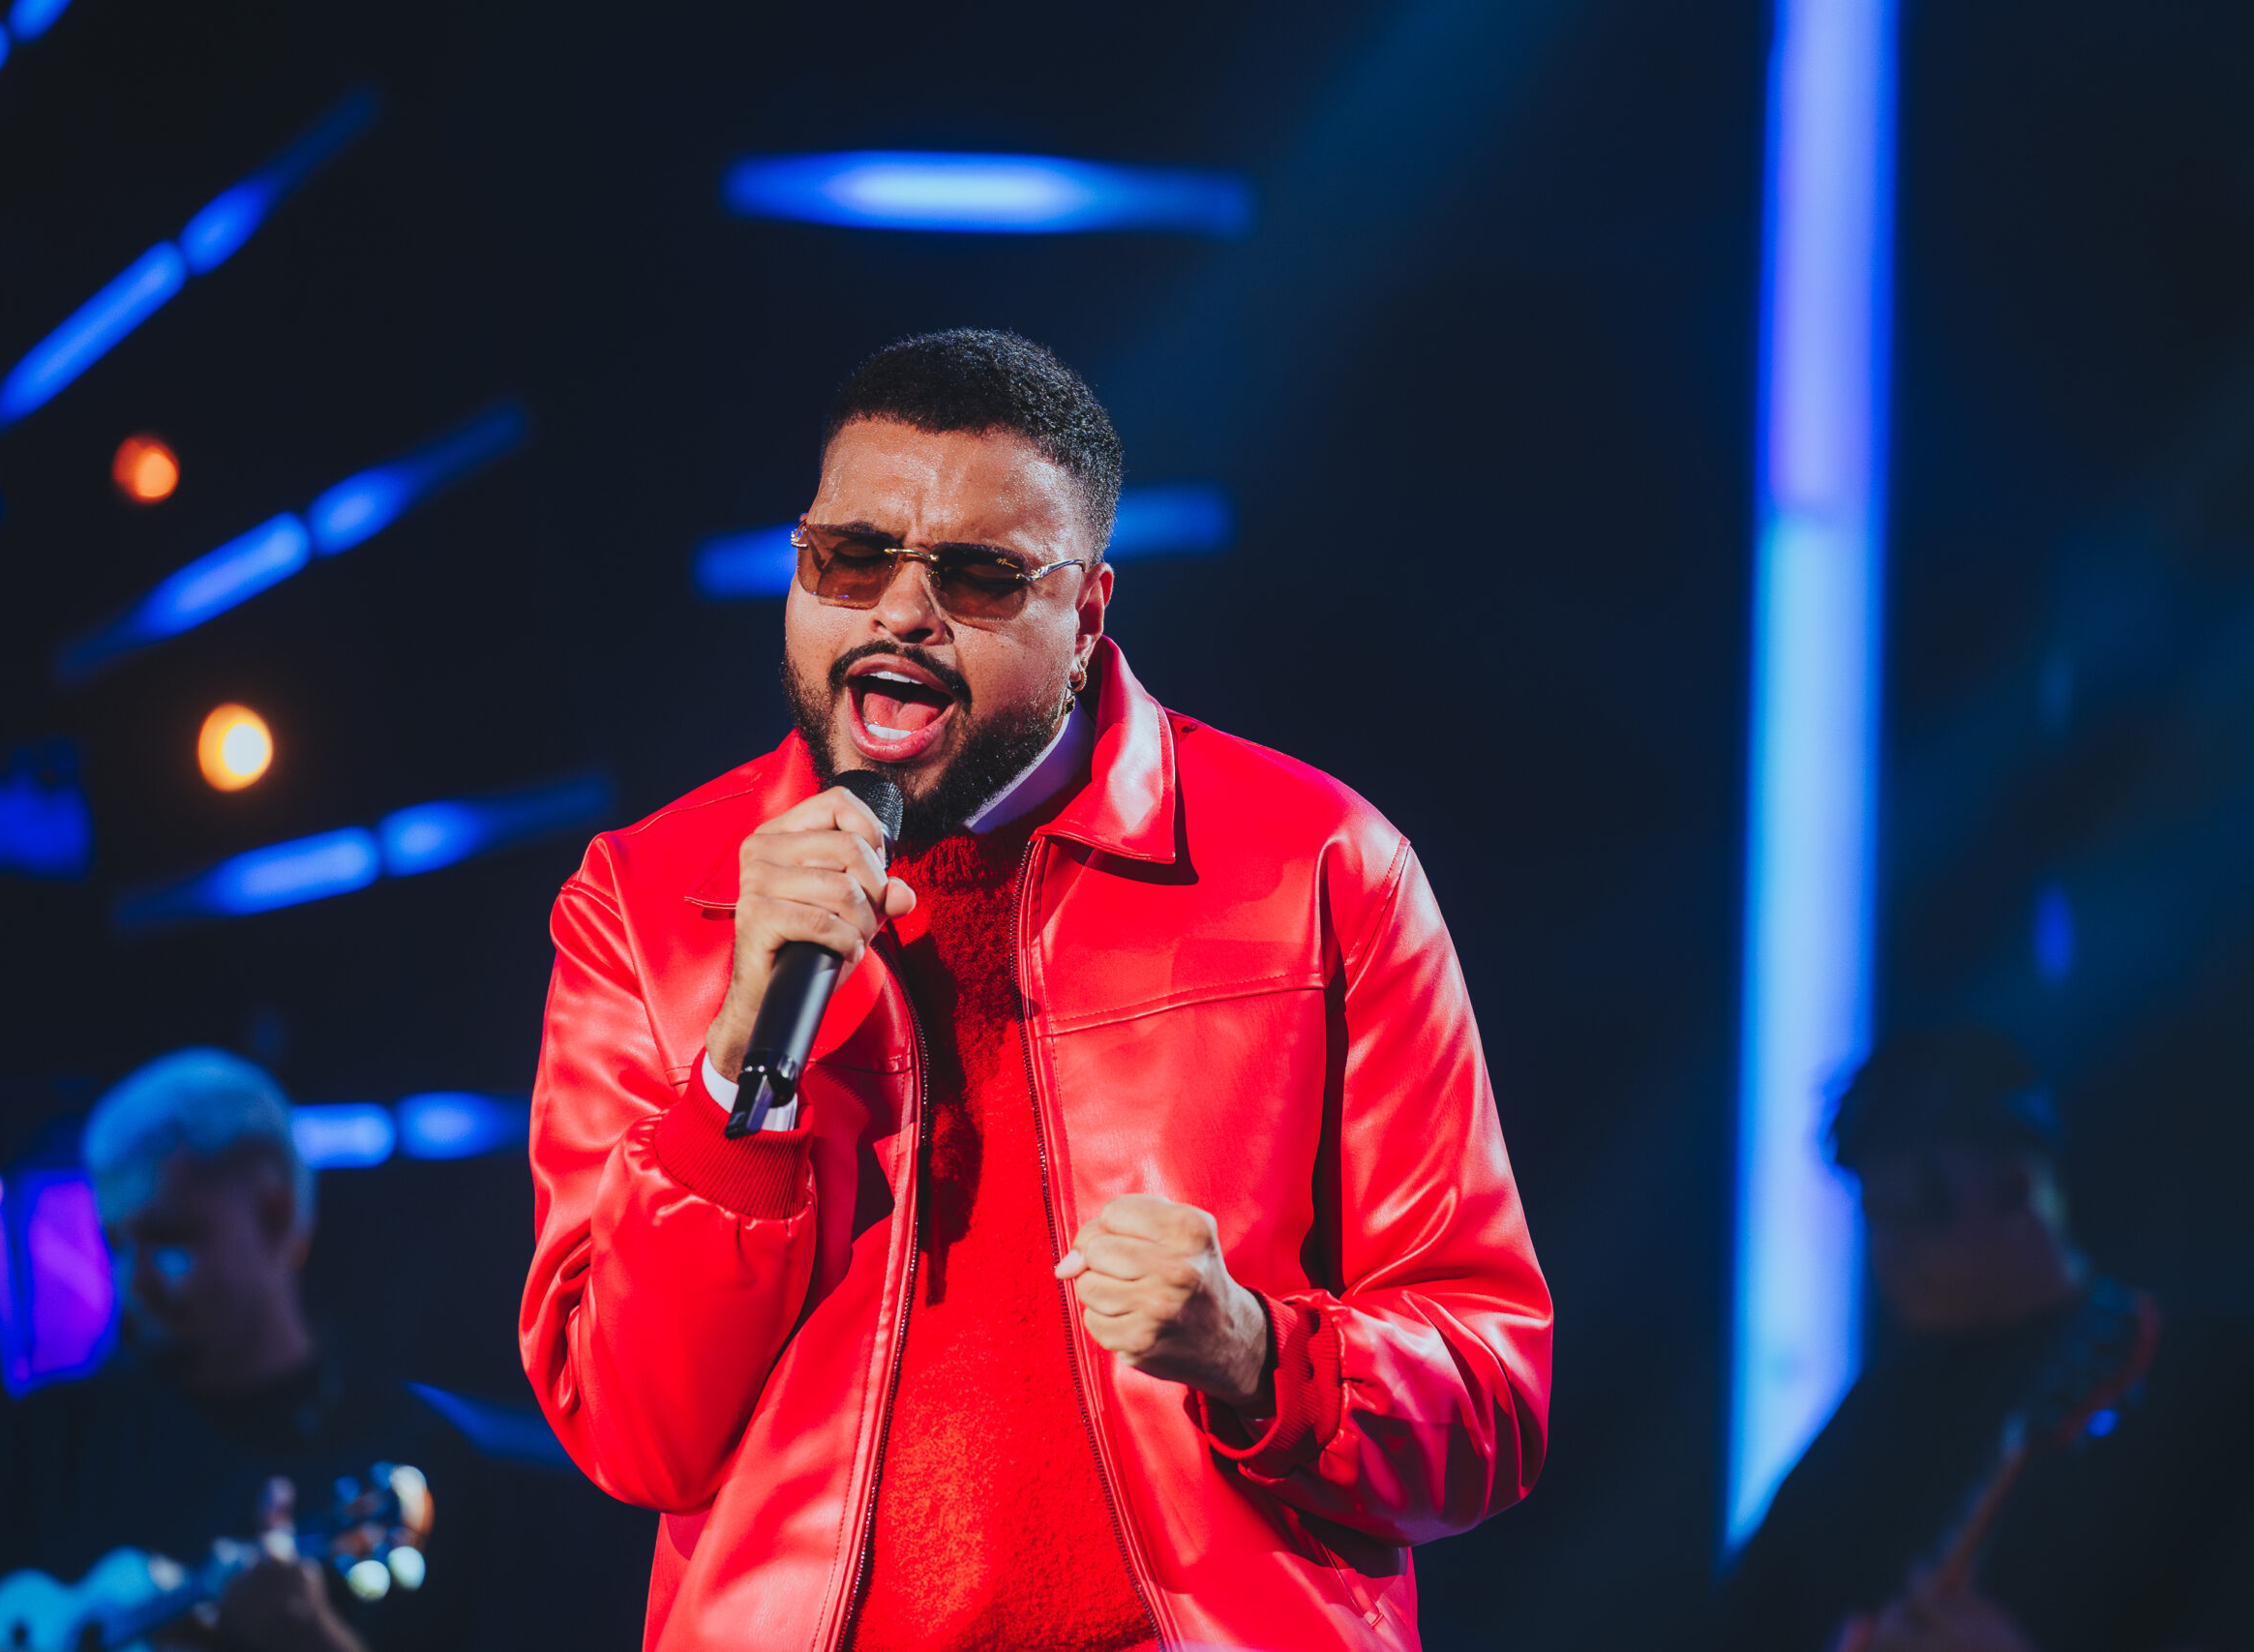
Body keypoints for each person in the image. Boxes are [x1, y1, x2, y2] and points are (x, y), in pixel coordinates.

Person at [519, 328, 1552, 1650]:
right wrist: (739, 1056)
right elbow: (630, 1430)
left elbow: (1492, 1398)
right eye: (853, 556)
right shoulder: (653, 894)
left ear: (1088, 618)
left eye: (978, 575)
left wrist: (1253, 1351)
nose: (900, 609)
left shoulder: (1317, 866)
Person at [1706, 1027, 2254, 1652]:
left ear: (2019, 1188)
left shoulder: (2195, 1377)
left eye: (1914, 1216)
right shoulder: (1868, 1421)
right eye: (1874, 1219)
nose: (1888, 1254)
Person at [0, 1049, 477, 1652]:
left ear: (276, 1215)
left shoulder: (409, 1454)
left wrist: (311, 1640)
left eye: (168, 1239)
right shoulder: (51, 1442)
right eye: (116, 1244)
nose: (135, 1280)